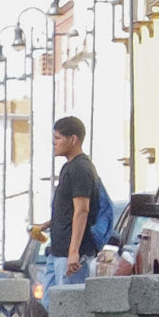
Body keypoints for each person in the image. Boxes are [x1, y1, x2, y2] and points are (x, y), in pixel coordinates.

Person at [41, 118, 106, 291]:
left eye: (58, 138)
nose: (54, 143)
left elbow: (82, 210)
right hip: (57, 251)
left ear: (73, 139)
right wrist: (46, 225)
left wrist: (73, 252)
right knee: (50, 301)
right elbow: (68, 210)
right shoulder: (68, 168)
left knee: (69, 306)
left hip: (71, 255)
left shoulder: (80, 168)